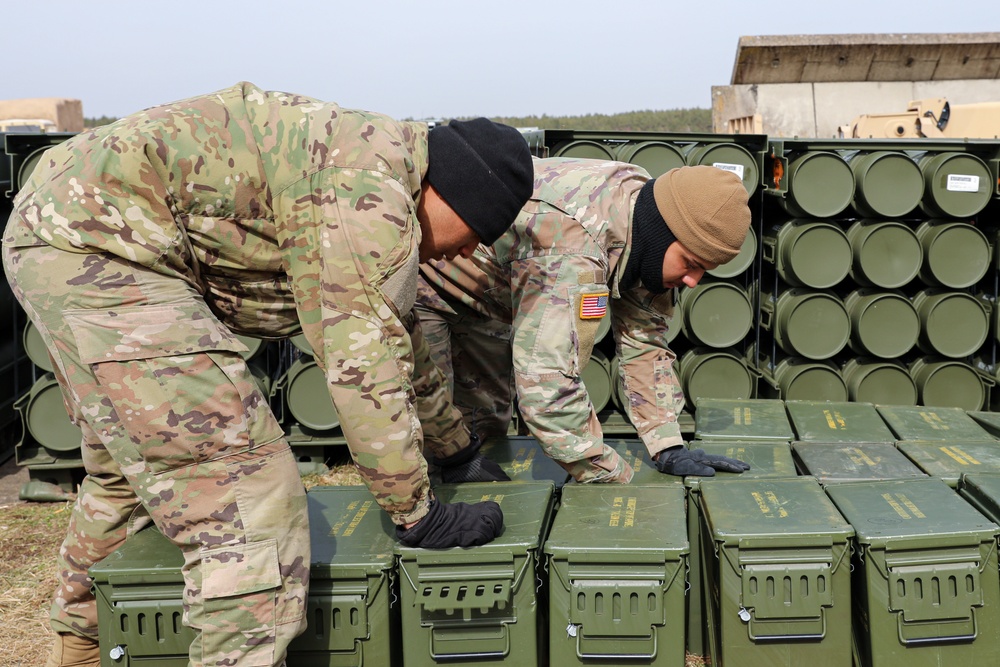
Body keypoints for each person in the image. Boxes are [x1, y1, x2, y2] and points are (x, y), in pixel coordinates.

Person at [3, 81, 533, 667]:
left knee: (130, 472)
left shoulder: (370, 162)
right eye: (474, 236)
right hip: (104, 248)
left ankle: (79, 645)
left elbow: (398, 337)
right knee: (245, 492)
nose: (462, 255)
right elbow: (365, 368)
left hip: (64, 231)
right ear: (455, 195)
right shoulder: (368, 193)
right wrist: (417, 513)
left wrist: (456, 452)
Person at [416, 159, 753, 483]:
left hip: (492, 298)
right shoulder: (574, 244)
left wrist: (667, 444)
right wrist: (613, 476)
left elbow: (644, 340)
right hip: (430, 278)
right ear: (662, 233)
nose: (693, 281)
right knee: (434, 439)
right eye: (690, 263)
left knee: (483, 432)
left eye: (703, 270)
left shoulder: (646, 219)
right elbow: (547, 389)